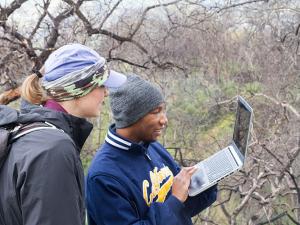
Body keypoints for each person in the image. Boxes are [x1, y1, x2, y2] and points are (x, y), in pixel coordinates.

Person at [0, 43, 126, 225]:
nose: (106, 92)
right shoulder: (53, 149)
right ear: (77, 88)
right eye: (102, 84)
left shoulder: (27, 134)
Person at [86, 75, 218, 225]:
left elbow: (182, 208)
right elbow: (176, 203)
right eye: (156, 112)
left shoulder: (152, 147)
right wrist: (175, 201)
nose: (164, 120)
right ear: (132, 116)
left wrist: (209, 180)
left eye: (163, 111)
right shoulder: (103, 176)